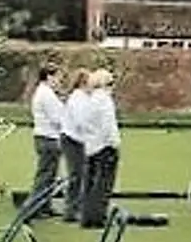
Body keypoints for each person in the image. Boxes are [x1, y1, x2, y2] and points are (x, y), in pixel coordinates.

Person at [76, 69, 122, 229]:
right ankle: (97, 217)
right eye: (111, 83)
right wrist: (113, 143)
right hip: (105, 147)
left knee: (90, 183)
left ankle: (87, 217)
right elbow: (108, 125)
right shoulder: (105, 100)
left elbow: (81, 124)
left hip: (91, 146)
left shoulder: (89, 100)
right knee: (103, 185)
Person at [27, 64, 65, 220]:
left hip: (47, 137)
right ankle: (34, 208)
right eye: (57, 77)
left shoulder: (46, 93)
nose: (59, 81)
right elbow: (57, 119)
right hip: (48, 138)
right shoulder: (46, 94)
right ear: (49, 77)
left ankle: (45, 206)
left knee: (49, 175)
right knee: (45, 175)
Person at [60, 69, 92, 222]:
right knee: (76, 175)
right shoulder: (78, 99)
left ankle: (77, 207)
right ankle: (71, 211)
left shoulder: (83, 97)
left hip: (76, 139)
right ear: (83, 83)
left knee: (80, 175)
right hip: (73, 140)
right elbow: (81, 122)